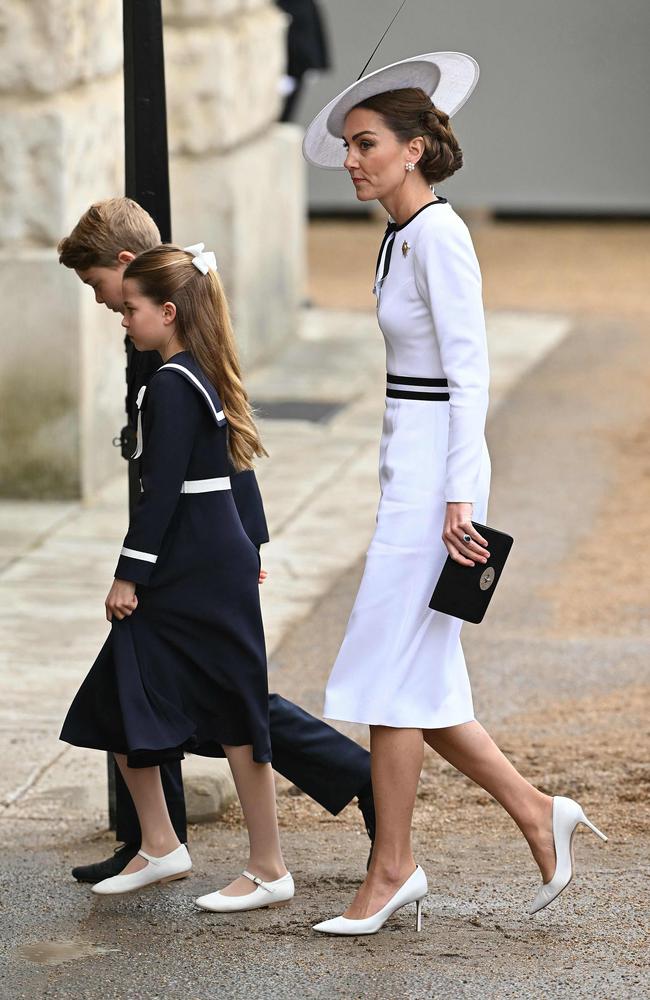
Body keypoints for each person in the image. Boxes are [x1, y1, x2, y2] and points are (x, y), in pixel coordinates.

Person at [302, 52, 607, 935]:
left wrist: (460, 498)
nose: (353, 159)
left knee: (389, 678)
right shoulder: (397, 235)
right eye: (349, 145)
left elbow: (470, 374)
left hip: (439, 482)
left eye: (367, 144)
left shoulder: (440, 235)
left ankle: (394, 867)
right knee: (419, 684)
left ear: (416, 149)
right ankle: (533, 811)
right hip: (411, 469)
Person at [57, 200, 375, 884]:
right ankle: (156, 842)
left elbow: (196, 473)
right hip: (201, 551)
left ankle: (266, 842)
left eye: (103, 293)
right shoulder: (177, 342)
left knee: (232, 706)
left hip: (195, 558)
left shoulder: (170, 359)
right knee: (149, 694)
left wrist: (214, 551)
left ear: (130, 277)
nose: (107, 309)